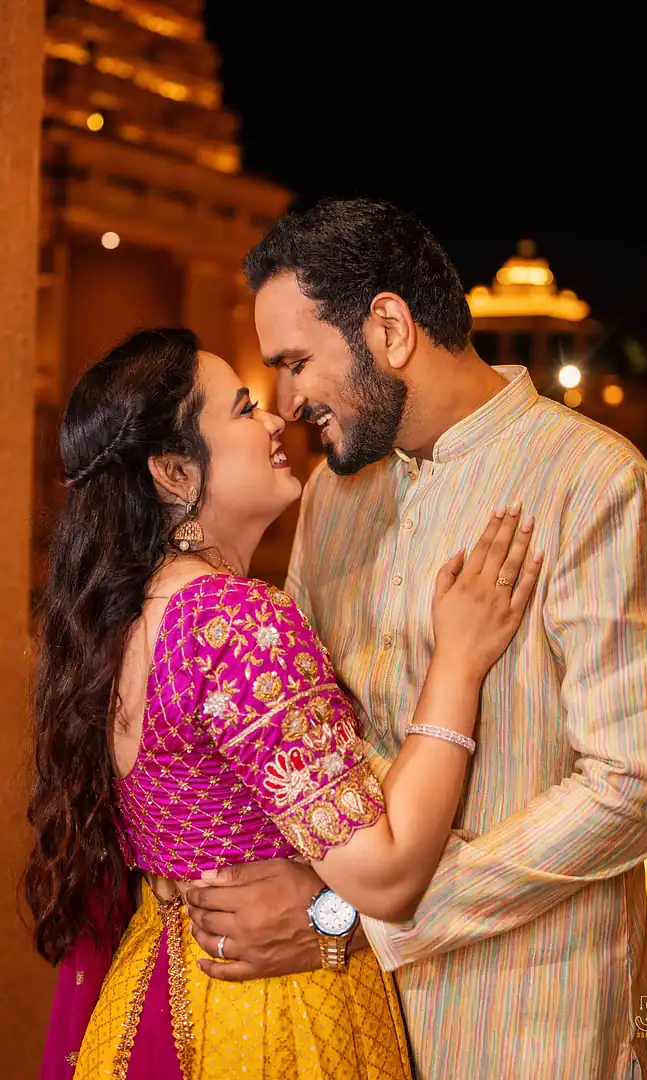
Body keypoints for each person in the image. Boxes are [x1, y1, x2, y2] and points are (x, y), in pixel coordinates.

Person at [187, 199, 647, 1080]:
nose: (288, 402)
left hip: (542, 1030)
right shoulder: (334, 498)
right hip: (354, 1028)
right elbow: (313, 740)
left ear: (388, 328)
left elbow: (632, 789)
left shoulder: (593, 485)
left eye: (298, 363)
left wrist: (353, 921)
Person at [26, 327, 541, 1080]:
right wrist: (457, 663)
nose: (275, 419)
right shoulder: (233, 620)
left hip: (155, 988)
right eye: (242, 410)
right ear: (175, 471)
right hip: (269, 1016)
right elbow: (386, 873)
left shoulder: (126, 616)